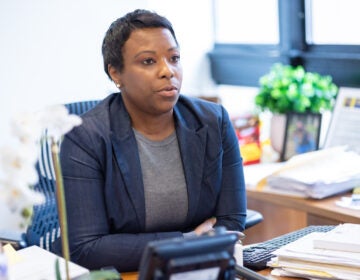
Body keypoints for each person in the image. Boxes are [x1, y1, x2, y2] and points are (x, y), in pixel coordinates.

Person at [52, 9, 247, 272]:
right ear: (115, 74)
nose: (168, 71)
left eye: (174, 58)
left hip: (194, 272)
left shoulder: (213, 122)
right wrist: (185, 241)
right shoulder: (84, 137)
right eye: (148, 61)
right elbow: (85, 248)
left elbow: (231, 221)